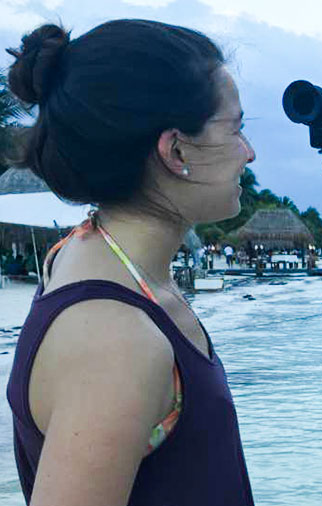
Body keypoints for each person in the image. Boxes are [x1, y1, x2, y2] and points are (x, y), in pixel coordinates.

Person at [5, 20, 256, 506]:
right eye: (236, 128)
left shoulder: (85, 255)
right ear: (176, 149)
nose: (249, 152)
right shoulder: (118, 340)